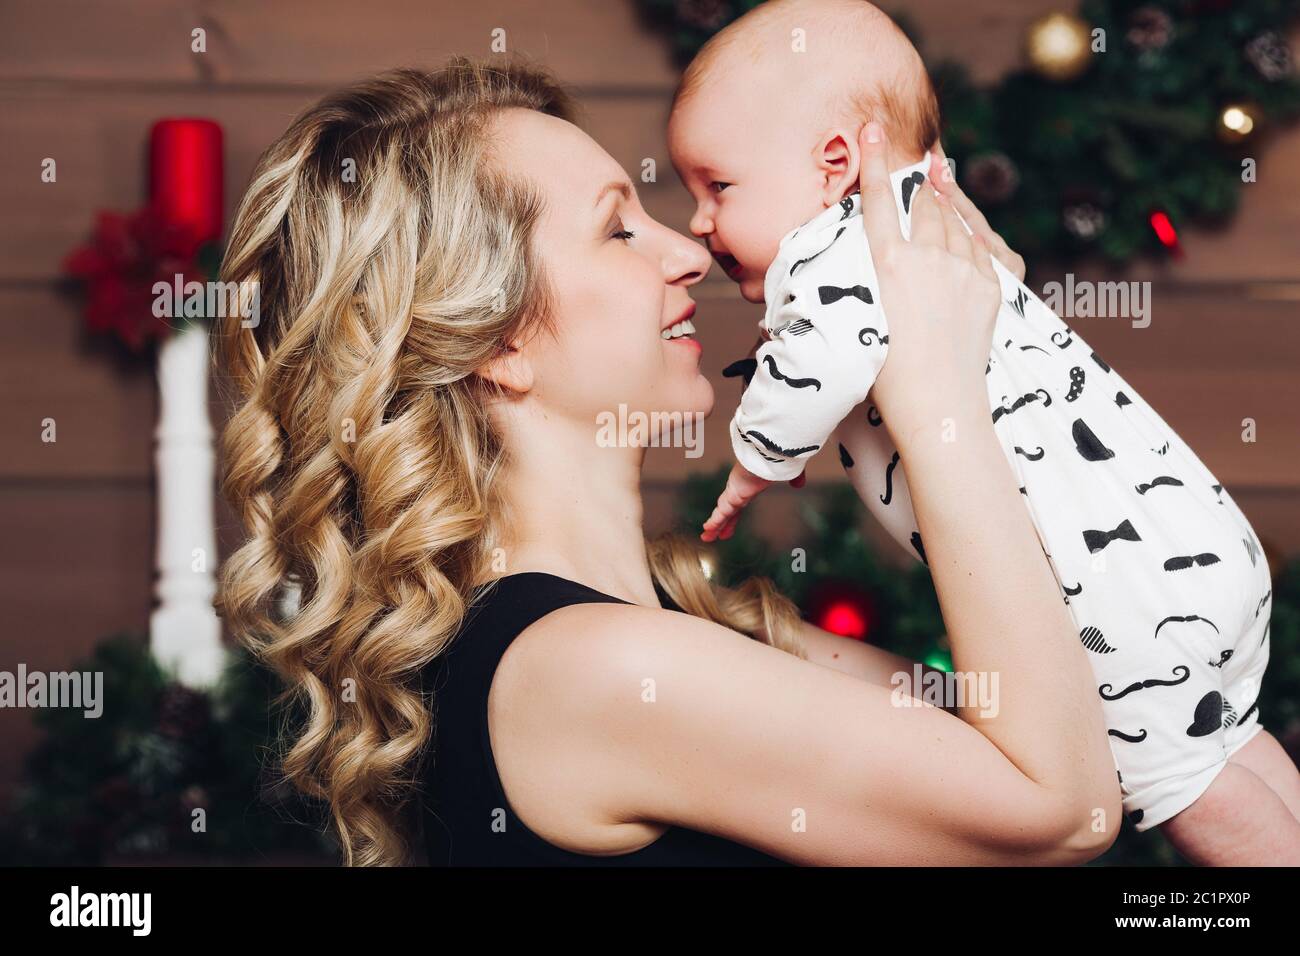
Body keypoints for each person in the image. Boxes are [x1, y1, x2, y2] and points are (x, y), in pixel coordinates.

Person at [214, 57, 1119, 866]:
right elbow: (1062, 811)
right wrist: (935, 393)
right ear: (495, 343)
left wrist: (997, 356)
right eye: (619, 231)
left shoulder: (682, 624)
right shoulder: (589, 670)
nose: (691, 253)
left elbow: (1076, 730)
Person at [668, 0, 1297, 864]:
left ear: (835, 164)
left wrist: (751, 464)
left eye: (718, 187)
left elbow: (817, 363)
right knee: (1227, 745)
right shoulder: (935, 225)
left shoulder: (833, 256)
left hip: (1123, 601)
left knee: (1184, 790)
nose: (699, 224)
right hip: (1187, 546)